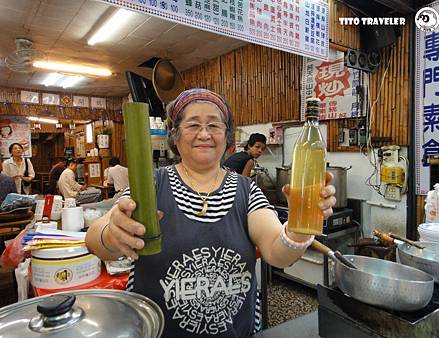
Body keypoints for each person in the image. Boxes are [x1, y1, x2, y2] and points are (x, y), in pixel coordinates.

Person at [86, 88, 336, 338]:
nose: (204, 134)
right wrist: (112, 235)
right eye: (193, 125)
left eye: (214, 126)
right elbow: (95, 237)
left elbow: (277, 253)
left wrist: (297, 230)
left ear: (226, 136)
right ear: (175, 134)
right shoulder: (150, 184)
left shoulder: (246, 190)